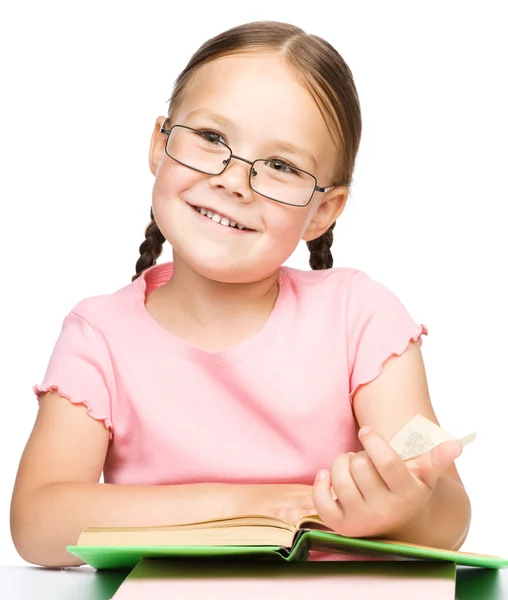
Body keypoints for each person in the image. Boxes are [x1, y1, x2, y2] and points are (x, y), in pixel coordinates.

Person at [10, 20, 471, 568]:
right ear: (160, 145)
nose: (234, 180)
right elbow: (37, 523)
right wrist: (251, 506)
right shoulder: (99, 335)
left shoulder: (360, 316)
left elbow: (451, 515)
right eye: (211, 138)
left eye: (280, 166)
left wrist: (398, 510)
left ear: (322, 211)